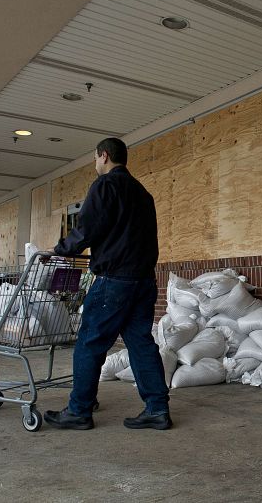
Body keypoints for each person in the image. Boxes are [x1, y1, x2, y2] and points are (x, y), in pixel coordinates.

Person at [44, 137, 170, 431]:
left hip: (114, 279)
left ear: (103, 156)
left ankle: (79, 410)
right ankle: (157, 409)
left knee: (90, 343)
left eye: (95, 158)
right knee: (141, 343)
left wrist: (60, 249)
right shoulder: (143, 193)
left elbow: (87, 228)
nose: (95, 163)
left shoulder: (105, 185)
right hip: (143, 280)